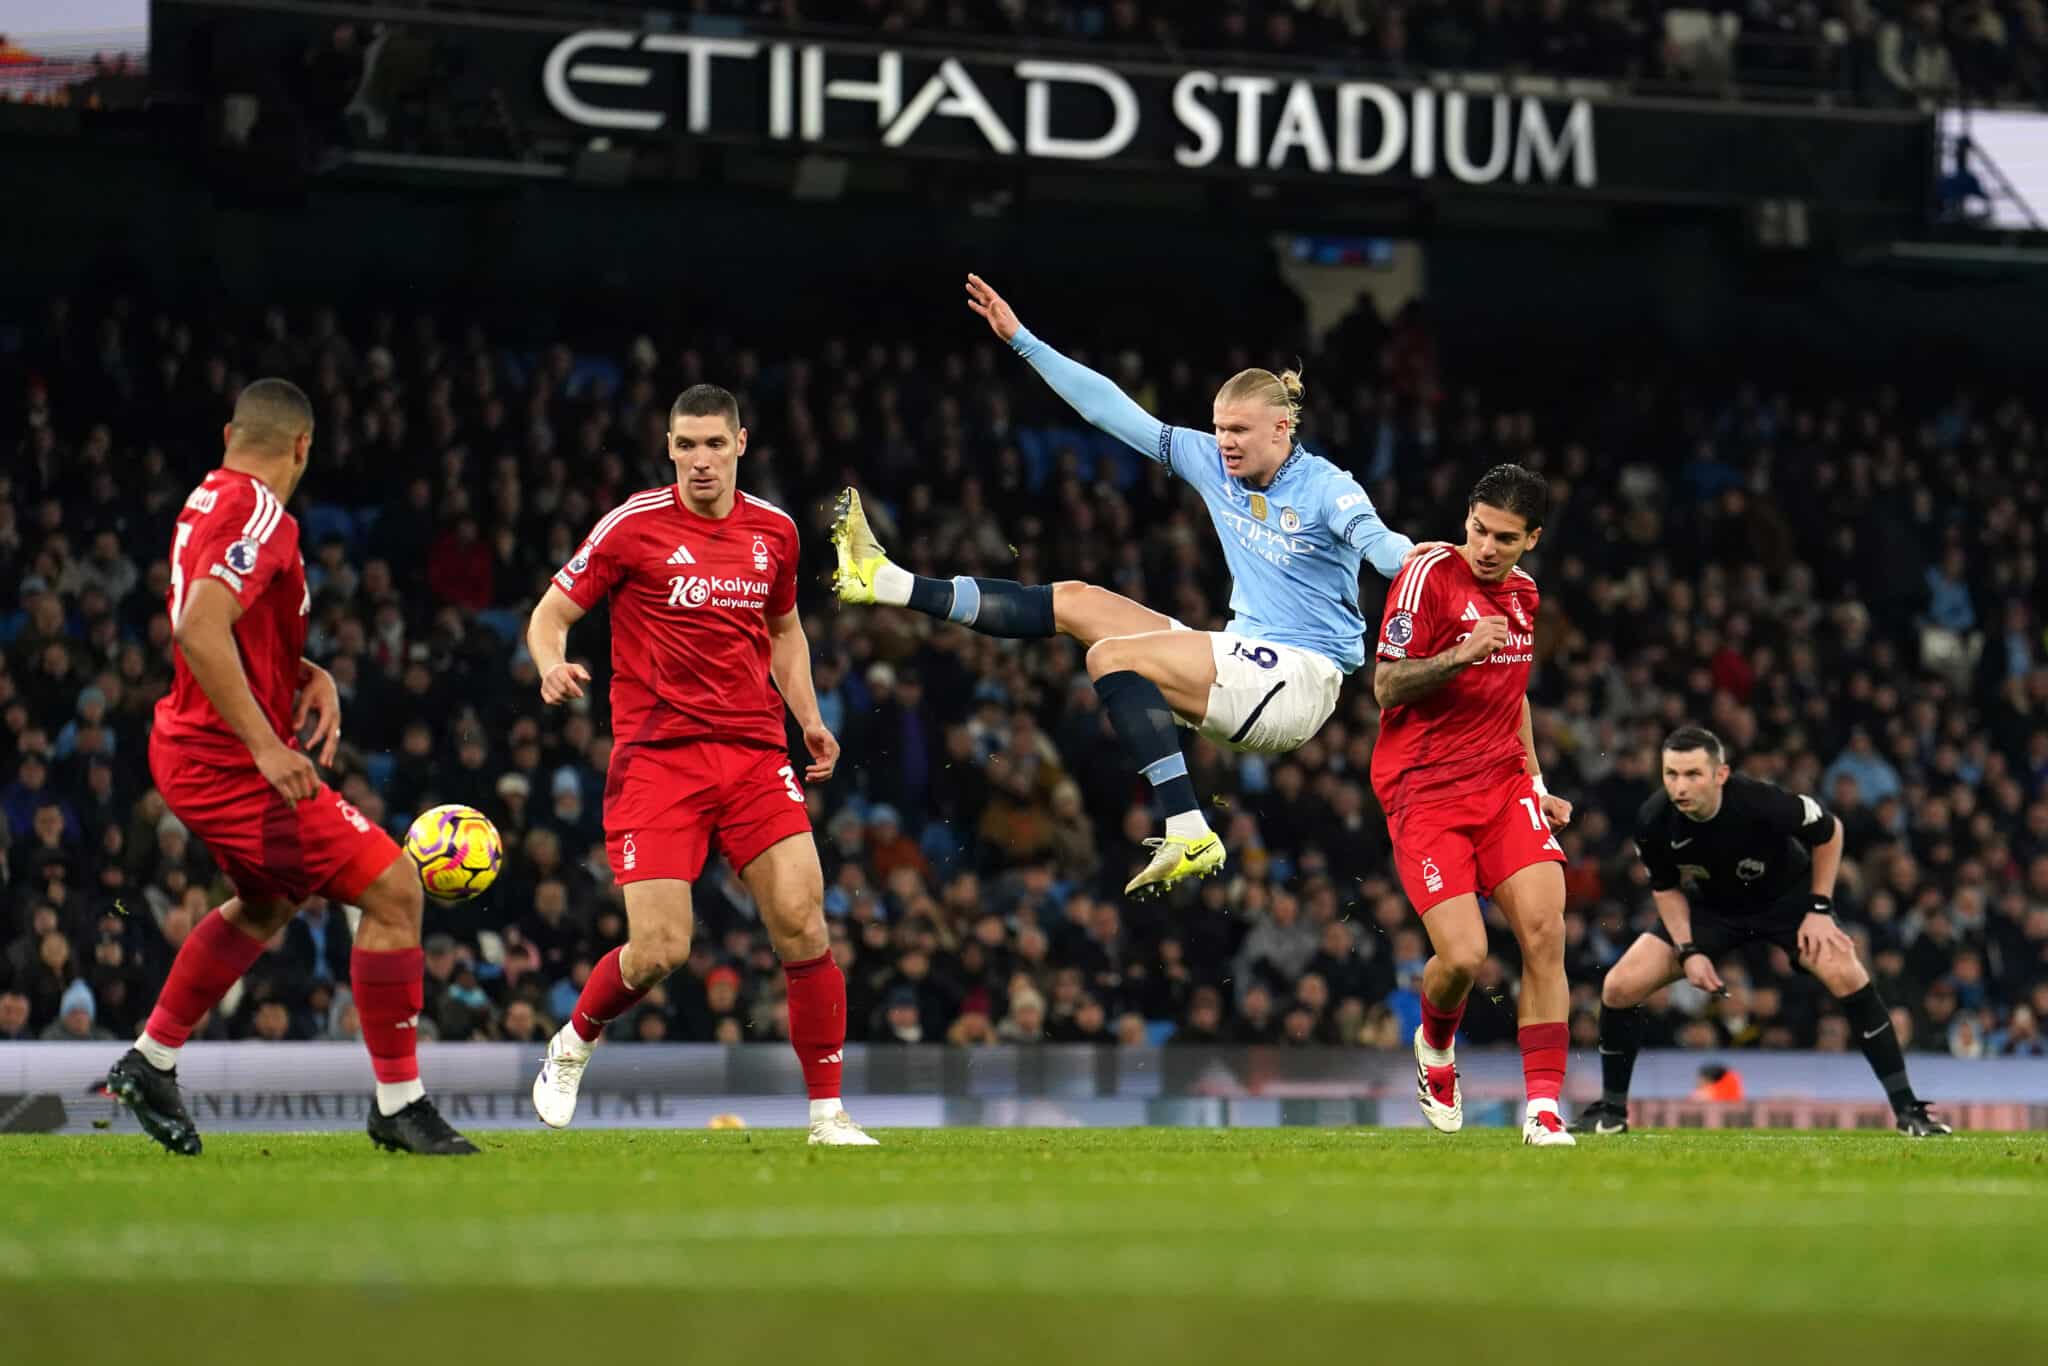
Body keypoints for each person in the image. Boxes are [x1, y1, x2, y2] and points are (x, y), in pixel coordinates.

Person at [830, 272, 1417, 896]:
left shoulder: (1327, 487)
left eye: (1239, 431)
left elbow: (1382, 547)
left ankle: (1188, 827)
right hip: (1242, 660)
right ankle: (887, 581)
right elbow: (1111, 409)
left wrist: (1438, 564)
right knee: (1079, 602)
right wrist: (1023, 339)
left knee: (1110, 657)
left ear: (1282, 429)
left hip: (1300, 680)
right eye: (1218, 428)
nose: (1224, 443)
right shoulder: (1211, 462)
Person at [106, 379, 475, 1157]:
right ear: (302, 446)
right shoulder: (261, 512)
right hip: (229, 761)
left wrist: (302, 667)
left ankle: (151, 1059)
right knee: (395, 888)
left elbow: (224, 620)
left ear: (229, 431)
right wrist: (270, 747)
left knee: (268, 905)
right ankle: (400, 1106)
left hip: (189, 745)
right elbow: (200, 630)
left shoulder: (209, 497)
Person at [524, 384, 876, 1146]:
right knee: (660, 952)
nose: (700, 460)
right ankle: (573, 1043)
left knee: (804, 922)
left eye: (715, 444)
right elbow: (550, 614)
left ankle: (827, 1115)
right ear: (669, 448)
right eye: (686, 445)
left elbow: (785, 633)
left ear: (741, 445)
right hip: (658, 761)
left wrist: (809, 719)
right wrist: (551, 664)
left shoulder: (776, 532)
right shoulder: (632, 527)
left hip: (753, 753)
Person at [1576, 726, 1952, 1138]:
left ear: (1721, 774)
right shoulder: (1653, 819)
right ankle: (1611, 1112)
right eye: (1671, 774)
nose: (1679, 786)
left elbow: (1830, 831)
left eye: (1692, 775)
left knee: (1848, 975)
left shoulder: (1761, 801)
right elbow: (1665, 889)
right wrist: (1688, 950)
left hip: (1787, 905)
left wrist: (1819, 909)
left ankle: (1909, 1111)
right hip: (1711, 911)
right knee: (1619, 986)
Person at [1370, 464, 1577, 1147]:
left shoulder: (1525, 595)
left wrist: (1539, 785)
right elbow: (1386, 686)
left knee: (1546, 932)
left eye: (1505, 538)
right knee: (1465, 958)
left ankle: (1544, 1109)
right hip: (1424, 790)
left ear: (1532, 540)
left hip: (1503, 785)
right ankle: (1435, 1049)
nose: (1487, 548)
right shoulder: (1428, 572)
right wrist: (1460, 653)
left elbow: (1511, 694)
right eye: (1479, 530)